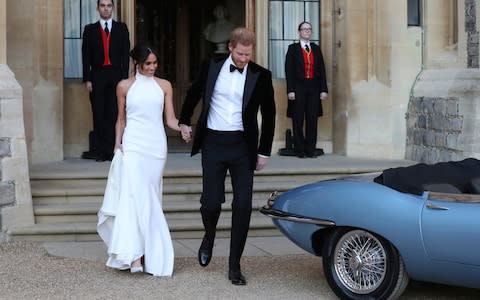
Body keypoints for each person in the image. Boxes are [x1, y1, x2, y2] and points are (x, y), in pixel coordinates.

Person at [179, 27, 276, 286]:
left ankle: (235, 266)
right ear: (231, 47)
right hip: (213, 142)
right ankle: (209, 236)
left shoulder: (261, 75)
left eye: (248, 54)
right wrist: (184, 121)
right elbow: (194, 92)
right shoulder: (211, 65)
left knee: (242, 205)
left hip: (243, 147)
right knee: (210, 203)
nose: (245, 58)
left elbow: (269, 114)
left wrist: (264, 151)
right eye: (241, 53)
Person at [97, 44, 180, 276]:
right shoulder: (124, 86)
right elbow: (120, 119)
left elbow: (170, 119)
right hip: (133, 145)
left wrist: (183, 127)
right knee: (133, 197)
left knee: (150, 197)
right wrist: (117, 145)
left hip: (156, 147)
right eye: (148, 64)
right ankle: (135, 255)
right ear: (138, 63)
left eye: (155, 63)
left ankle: (148, 254)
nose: (153, 67)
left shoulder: (164, 86)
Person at [82, 0, 130, 162]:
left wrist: (124, 79)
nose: (106, 8)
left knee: (115, 113)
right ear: (98, 8)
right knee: (99, 113)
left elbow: (125, 54)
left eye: (109, 5)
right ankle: (101, 152)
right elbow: (85, 56)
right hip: (97, 75)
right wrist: (87, 79)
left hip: (116, 76)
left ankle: (113, 149)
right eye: (103, 5)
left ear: (113, 8)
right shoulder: (89, 30)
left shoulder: (122, 28)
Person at [285, 21, 328, 158]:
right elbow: (289, 70)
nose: (307, 31)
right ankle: (299, 149)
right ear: (299, 32)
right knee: (298, 119)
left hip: (314, 88)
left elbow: (321, 69)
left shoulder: (316, 48)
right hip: (298, 88)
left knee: (312, 118)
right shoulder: (293, 48)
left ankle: (310, 150)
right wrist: (290, 90)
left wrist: (323, 89)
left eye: (309, 29)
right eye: (304, 29)